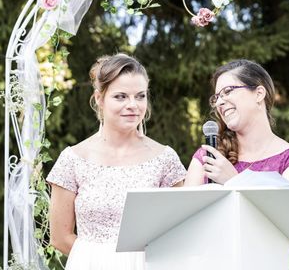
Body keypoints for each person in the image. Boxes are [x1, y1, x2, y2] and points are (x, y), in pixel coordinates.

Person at [47, 53, 187, 269]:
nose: (133, 105)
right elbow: (59, 237)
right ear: (99, 99)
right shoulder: (73, 159)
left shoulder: (165, 159)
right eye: (121, 96)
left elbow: (180, 230)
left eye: (140, 96)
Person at [184, 59, 289, 186]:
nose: (219, 103)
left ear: (259, 94)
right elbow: (187, 207)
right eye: (216, 97)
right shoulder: (207, 157)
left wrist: (234, 181)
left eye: (228, 91)